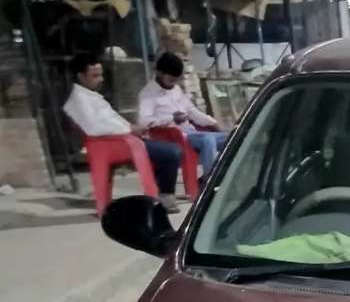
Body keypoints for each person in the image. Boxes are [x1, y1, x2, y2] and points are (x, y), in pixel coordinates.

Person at [63, 52, 182, 213]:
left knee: (166, 151)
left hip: (122, 140)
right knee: (171, 153)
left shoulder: (90, 96)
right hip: (110, 145)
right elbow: (94, 128)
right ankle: (163, 196)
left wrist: (132, 128)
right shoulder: (78, 100)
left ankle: (160, 194)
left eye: (101, 75)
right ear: (81, 76)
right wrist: (129, 129)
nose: (101, 79)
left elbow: (111, 120)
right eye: (95, 76)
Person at [138, 52, 227, 178]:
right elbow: (143, 122)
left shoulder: (175, 89)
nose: (173, 83)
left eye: (176, 80)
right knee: (208, 140)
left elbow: (192, 112)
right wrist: (171, 118)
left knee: (233, 138)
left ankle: (226, 178)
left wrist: (213, 123)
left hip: (192, 133)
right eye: (170, 80)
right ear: (159, 73)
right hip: (173, 137)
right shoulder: (147, 94)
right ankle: (210, 181)